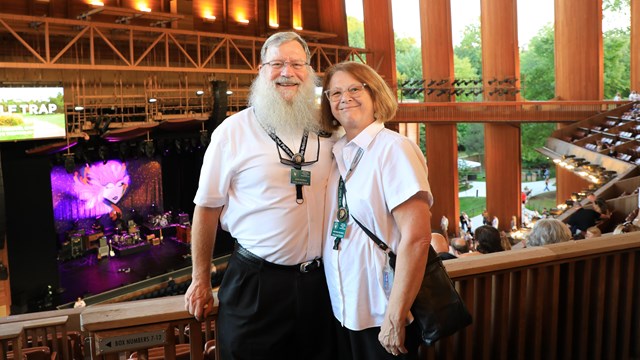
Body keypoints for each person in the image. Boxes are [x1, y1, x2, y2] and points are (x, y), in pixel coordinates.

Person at [184, 32, 336, 359]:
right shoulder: (232, 132)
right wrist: (200, 279)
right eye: (277, 63)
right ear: (261, 69)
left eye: (296, 64)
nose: (287, 72)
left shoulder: (329, 131)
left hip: (320, 285)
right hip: (255, 285)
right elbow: (206, 209)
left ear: (309, 71)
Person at [320, 61, 433, 359]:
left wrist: (395, 316)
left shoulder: (393, 149)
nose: (345, 98)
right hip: (344, 313)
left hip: (382, 316)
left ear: (374, 94)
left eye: (355, 88)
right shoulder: (337, 152)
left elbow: (417, 238)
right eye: (335, 93)